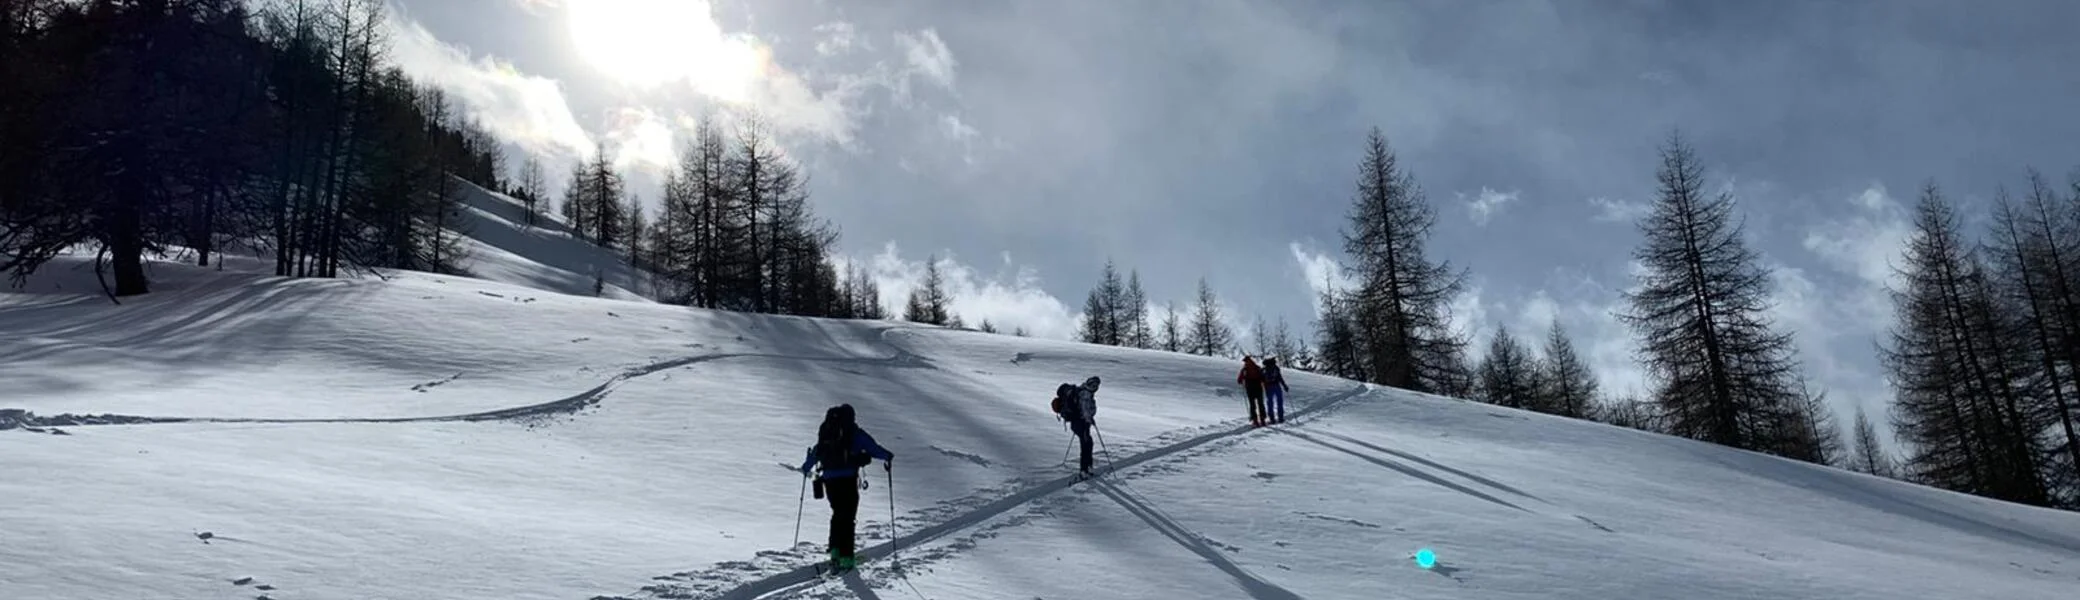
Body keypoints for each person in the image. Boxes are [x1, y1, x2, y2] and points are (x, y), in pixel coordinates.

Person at [799, 403, 894, 572]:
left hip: (829, 480)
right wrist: (887, 456)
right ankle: (847, 558)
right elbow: (872, 448)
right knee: (848, 517)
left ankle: (835, 552)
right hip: (847, 479)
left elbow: (817, 452)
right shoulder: (854, 432)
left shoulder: (828, 432)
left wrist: (807, 466)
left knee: (837, 514)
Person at [1056, 376, 1101, 479]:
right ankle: (1084, 470)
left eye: (1096, 385)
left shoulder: (1082, 390)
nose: (1095, 387)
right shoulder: (1085, 394)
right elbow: (1085, 410)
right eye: (1094, 385)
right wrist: (1089, 419)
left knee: (1088, 443)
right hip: (1081, 423)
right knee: (1086, 445)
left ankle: (1088, 467)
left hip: (1078, 423)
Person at [1238, 356, 1267, 427]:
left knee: (1252, 405)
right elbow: (1263, 378)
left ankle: (1255, 420)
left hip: (1250, 388)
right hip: (1258, 387)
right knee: (1260, 403)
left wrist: (1242, 381)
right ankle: (1262, 419)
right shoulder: (1257, 367)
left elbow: (1239, 380)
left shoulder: (1244, 369)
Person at [1262, 356, 1290, 424]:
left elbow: (1262, 379)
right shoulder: (1275, 368)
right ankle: (1280, 418)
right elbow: (1280, 378)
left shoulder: (1264, 369)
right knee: (1279, 401)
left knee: (1270, 402)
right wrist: (1284, 386)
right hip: (1277, 386)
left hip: (1268, 387)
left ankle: (1272, 418)